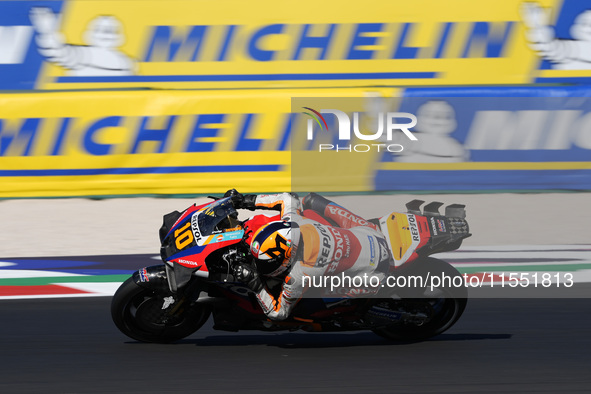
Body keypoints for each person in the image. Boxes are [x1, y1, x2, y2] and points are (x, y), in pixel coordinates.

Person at [224, 189, 393, 321]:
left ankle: (351, 311)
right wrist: (246, 200)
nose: (262, 266)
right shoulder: (296, 222)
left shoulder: (300, 273)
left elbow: (279, 313)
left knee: (309, 307)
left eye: (267, 263)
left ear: (287, 259)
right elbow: (289, 198)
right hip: (371, 234)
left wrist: (256, 285)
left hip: (375, 273)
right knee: (310, 200)